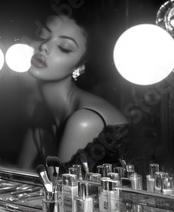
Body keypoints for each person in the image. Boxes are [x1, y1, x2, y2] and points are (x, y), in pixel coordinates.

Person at [17, 13, 130, 172]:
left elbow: (61, 192)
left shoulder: (84, 121)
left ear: (80, 66)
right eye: (43, 36)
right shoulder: (42, 113)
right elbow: (20, 173)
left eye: (64, 47)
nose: (44, 46)